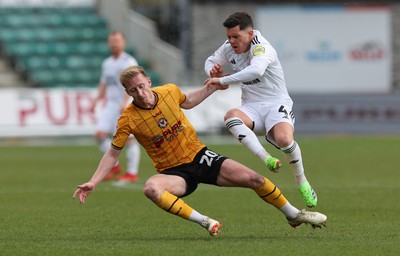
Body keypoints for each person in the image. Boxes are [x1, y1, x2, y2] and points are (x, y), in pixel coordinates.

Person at [73, 65, 327, 236]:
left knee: (255, 179)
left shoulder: (169, 91)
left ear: (148, 81)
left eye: (142, 86)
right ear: (127, 93)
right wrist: (94, 181)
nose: (140, 93)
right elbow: (113, 153)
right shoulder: (128, 119)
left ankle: (293, 215)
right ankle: (205, 221)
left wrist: (212, 87)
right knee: (151, 188)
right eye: (133, 91)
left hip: (200, 157)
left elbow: (189, 102)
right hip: (175, 173)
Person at [204, 12, 317, 208]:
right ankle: (266, 158)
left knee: (284, 140)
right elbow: (209, 61)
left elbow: (256, 71)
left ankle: (302, 181)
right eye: (228, 37)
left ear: (250, 33)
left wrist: (221, 80)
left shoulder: (262, 48)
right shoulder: (228, 47)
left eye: (236, 37)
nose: (231, 41)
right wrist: (212, 70)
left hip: (276, 102)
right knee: (230, 117)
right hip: (251, 105)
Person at [91, 31, 141, 184]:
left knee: (129, 140)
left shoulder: (128, 61)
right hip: (111, 105)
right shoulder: (107, 63)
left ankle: (132, 173)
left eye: (117, 41)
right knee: (100, 135)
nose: (114, 44)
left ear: (123, 43)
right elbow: (104, 83)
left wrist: (126, 101)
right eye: (111, 41)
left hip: (126, 104)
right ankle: (114, 166)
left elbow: (134, 82)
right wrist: (97, 99)